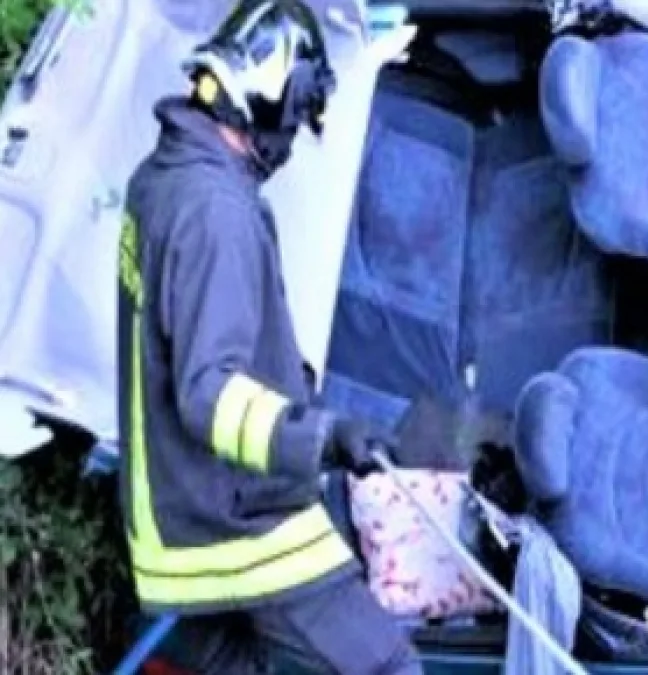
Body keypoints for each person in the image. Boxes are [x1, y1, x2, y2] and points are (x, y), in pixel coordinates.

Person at [115, 1, 422, 672]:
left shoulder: (166, 176)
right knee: (388, 666)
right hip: (228, 525)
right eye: (298, 116)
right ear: (274, 96)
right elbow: (209, 393)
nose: (291, 142)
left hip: (173, 507)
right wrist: (323, 438)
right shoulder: (215, 214)